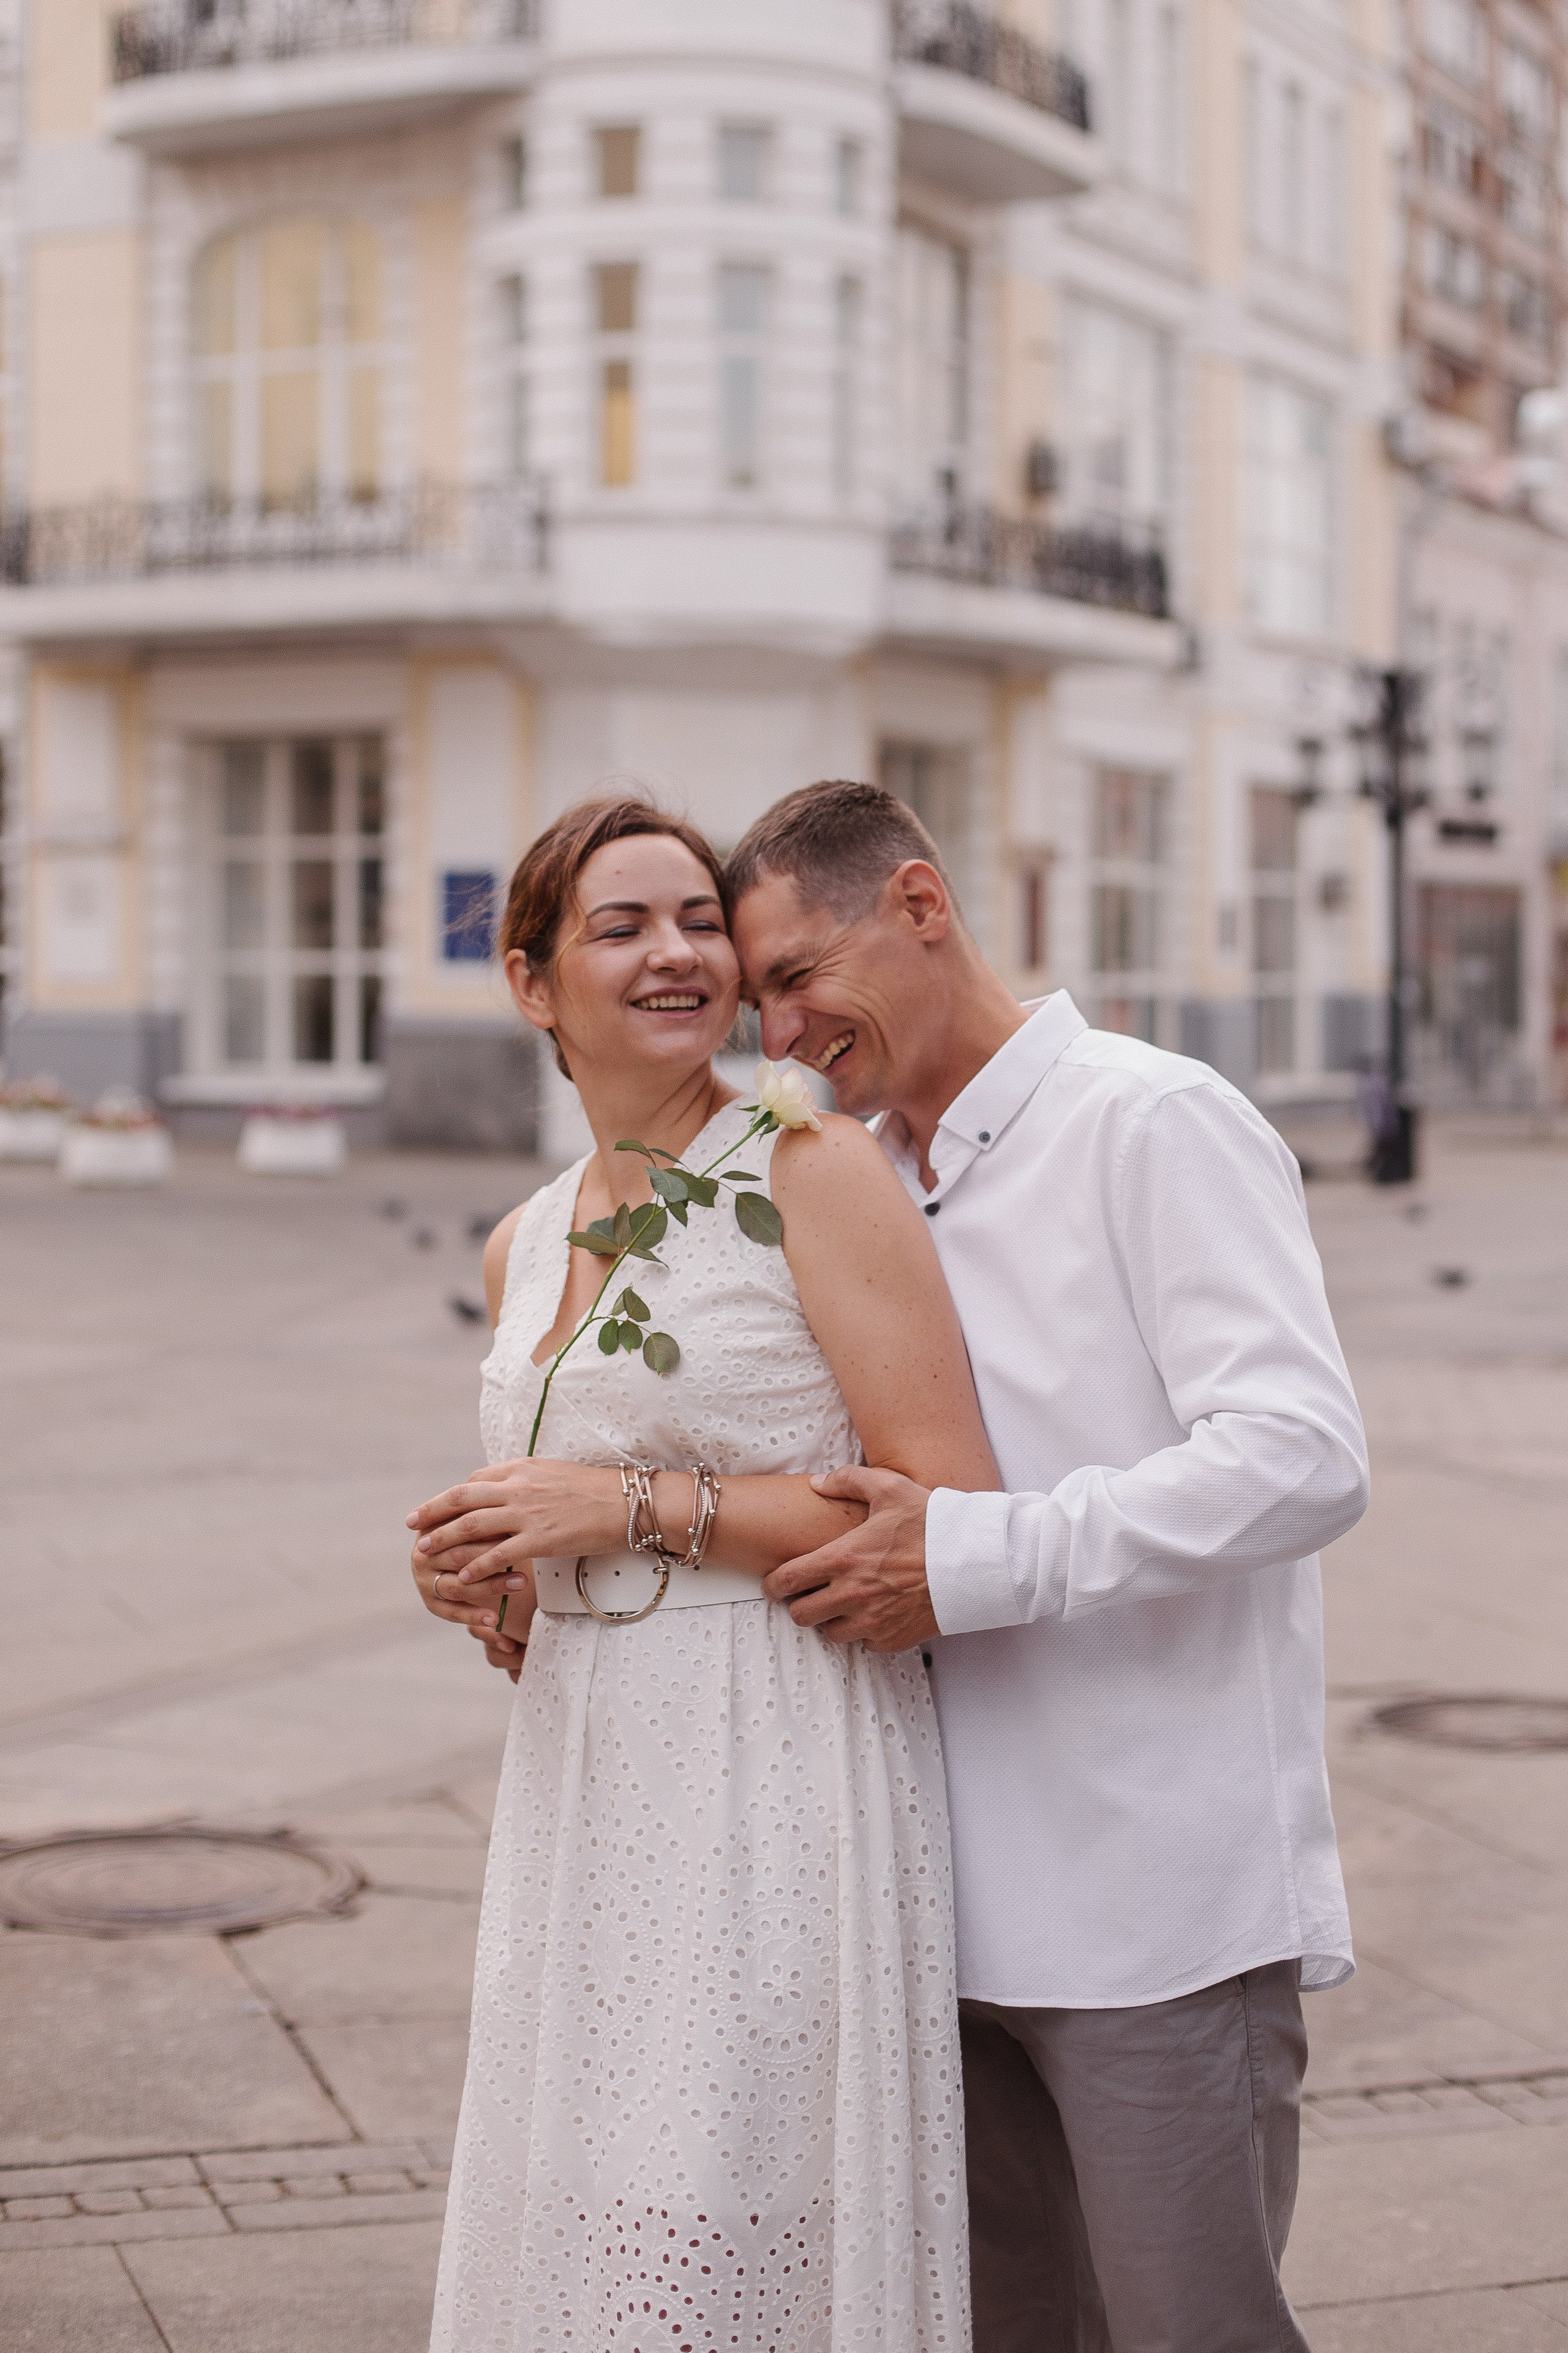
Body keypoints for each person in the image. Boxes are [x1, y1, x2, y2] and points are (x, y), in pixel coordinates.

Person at [712, 780, 1371, 2353]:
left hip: (1152, 1908)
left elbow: (1300, 1454)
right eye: (759, 1002)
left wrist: (978, 1556)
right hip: (937, 1912)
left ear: (922, 907)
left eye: (801, 976)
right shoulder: (856, 1178)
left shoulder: (1150, 1118)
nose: (784, 1033)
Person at [409, 794, 997, 2353]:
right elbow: (564, 1500)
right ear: (533, 982)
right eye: (620, 926)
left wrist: (624, 1503)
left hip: (773, 1756)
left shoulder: (808, 1167)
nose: (675, 954)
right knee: (597, 2198)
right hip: (593, 1772)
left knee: (736, 2201)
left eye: (696, 923)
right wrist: (494, 1565)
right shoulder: (519, 1240)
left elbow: (941, 1502)